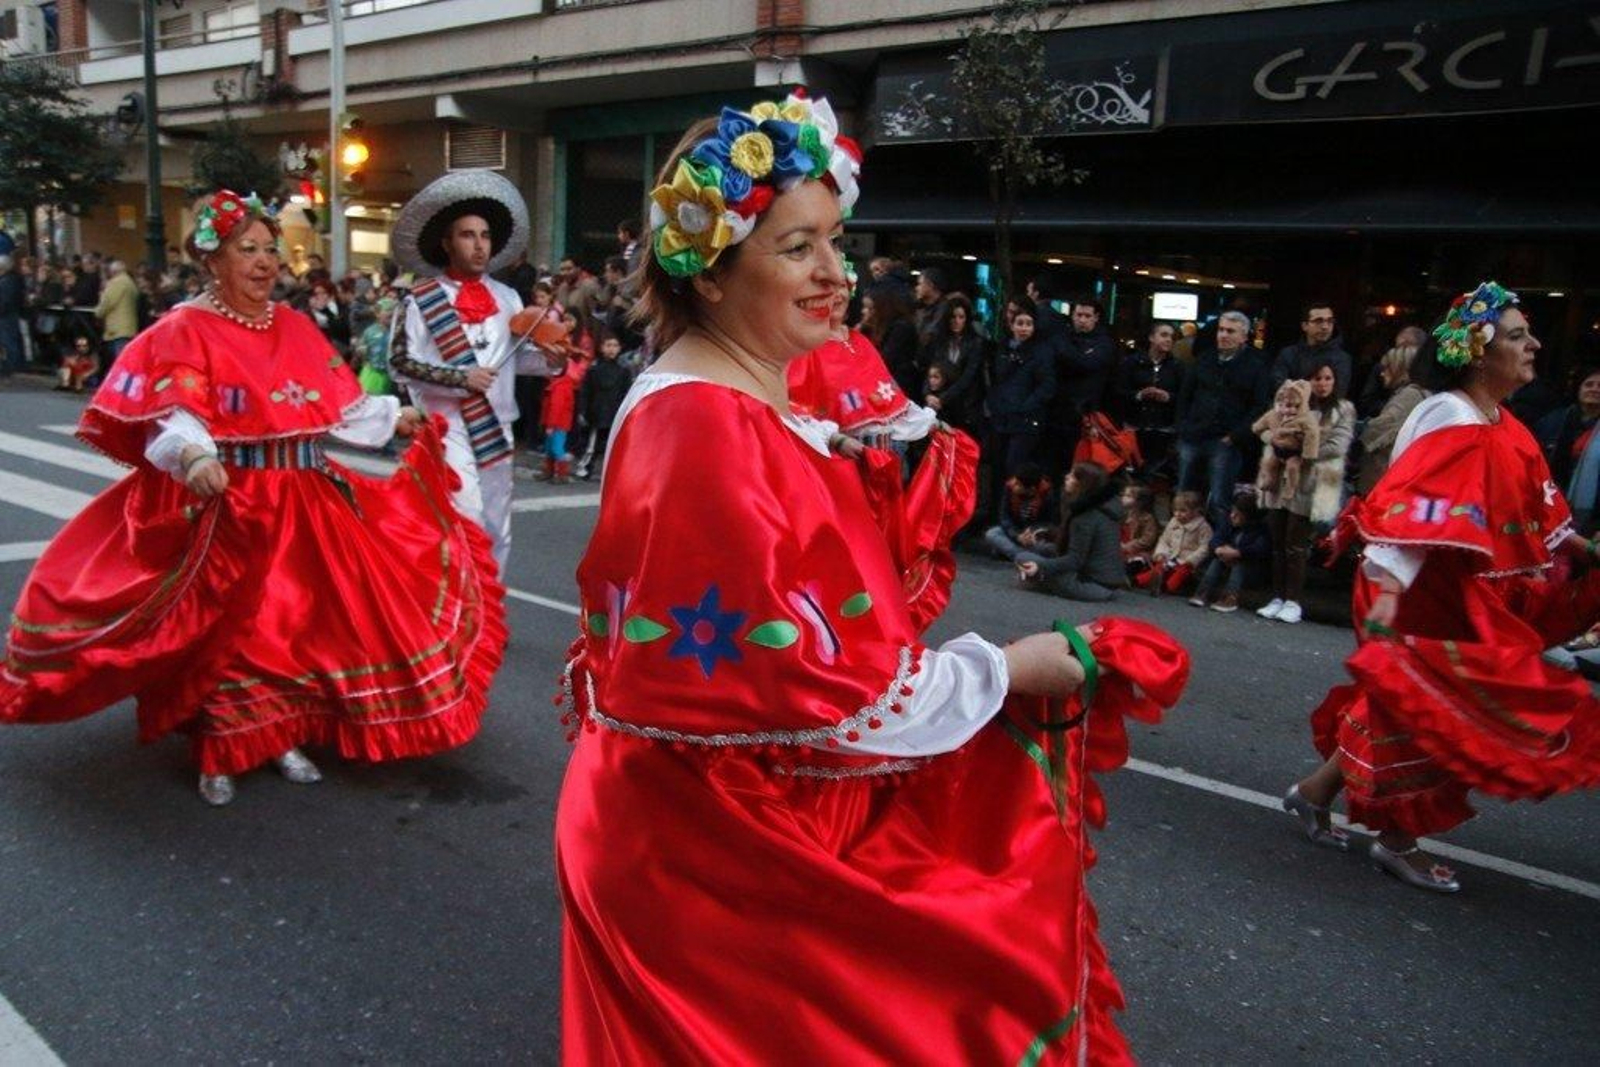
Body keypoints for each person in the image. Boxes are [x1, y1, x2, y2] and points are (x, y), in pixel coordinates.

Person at [556, 90, 1190, 1063]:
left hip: (732, 816)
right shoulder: (705, 430)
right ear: (711, 273)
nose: (834, 275)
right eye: (795, 247)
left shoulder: (752, 394)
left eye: (835, 241)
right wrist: (1015, 666)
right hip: (710, 845)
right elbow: (817, 691)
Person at [0, 190, 507, 806]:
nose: (266, 261)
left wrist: (393, 416)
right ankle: (222, 742)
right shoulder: (186, 329)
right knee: (226, 632)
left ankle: (276, 731)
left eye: (272, 249)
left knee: (294, 624)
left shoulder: (292, 324)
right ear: (211, 258)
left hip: (304, 499)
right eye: (249, 249)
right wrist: (194, 455)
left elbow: (336, 401)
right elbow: (174, 413)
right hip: (231, 505)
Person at [1286, 282, 1600, 892]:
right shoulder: (1452, 421)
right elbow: (1407, 524)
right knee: (1445, 721)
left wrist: (1588, 552)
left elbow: (1539, 514)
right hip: (1427, 600)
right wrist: (1381, 615)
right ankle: (1397, 839)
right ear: (1478, 353)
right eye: (1517, 335)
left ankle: (1313, 793)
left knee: (1404, 712)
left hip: (1478, 597)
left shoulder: (1506, 423)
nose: (1534, 344)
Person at [387, 169, 531, 574]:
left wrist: (553, 358)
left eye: (485, 235)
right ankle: (460, 616)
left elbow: (521, 356)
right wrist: (459, 378)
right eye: (468, 235)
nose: (479, 244)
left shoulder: (508, 297)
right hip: (449, 430)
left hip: (498, 427)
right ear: (447, 243)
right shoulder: (420, 301)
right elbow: (399, 364)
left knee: (497, 527)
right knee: (464, 519)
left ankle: (490, 617)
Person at [1256, 361, 1354, 624]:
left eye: (1327, 378)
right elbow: (1266, 428)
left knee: (1295, 545)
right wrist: (1279, 442)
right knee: (1277, 543)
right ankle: (1277, 596)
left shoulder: (1342, 409)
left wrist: (1302, 450)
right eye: (1316, 378)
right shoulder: (1291, 400)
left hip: (1311, 481)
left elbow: (1338, 444)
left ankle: (1293, 601)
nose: (1322, 384)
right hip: (1278, 477)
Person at [1174, 310, 1271, 528]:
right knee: (1184, 494)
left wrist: (1236, 436)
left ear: (1244, 336)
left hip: (1226, 439)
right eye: (1221, 330)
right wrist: (1183, 427)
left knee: (1220, 500)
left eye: (1230, 331)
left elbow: (1259, 406)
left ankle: (1216, 545)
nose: (1223, 335)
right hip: (1193, 435)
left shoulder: (1256, 365)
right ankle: (1179, 545)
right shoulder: (1203, 359)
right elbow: (1185, 395)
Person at [1015, 461, 1126, 602]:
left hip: (1091, 584)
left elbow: (1075, 560)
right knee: (1042, 548)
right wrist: (1043, 534)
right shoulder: (1102, 508)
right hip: (1102, 580)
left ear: (1083, 484)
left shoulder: (1086, 516)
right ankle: (1040, 578)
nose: (1066, 477)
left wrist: (1041, 566)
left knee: (1023, 557)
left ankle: (1040, 578)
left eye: (1073, 476)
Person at [986, 301, 1056, 481]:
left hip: (1026, 417)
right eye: (1020, 323)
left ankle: (1009, 507)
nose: (1024, 328)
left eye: (1028, 324)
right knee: (997, 466)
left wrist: (1027, 406)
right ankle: (995, 507)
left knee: (1014, 467)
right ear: (1012, 325)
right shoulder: (1002, 348)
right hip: (1002, 415)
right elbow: (996, 379)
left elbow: (1047, 385)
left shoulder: (1042, 351)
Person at [1115, 322, 1187, 480]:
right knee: (1133, 474)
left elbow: (1185, 397)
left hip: (1164, 428)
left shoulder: (1177, 367)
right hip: (1135, 425)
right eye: (1163, 335)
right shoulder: (1131, 363)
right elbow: (1119, 392)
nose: (1168, 340)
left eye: (1171, 336)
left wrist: (1168, 397)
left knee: (1156, 474)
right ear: (1151, 338)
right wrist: (1139, 395)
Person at [1356, 344, 1428, 494]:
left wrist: (1356, 428)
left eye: (1387, 368)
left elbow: (1382, 428)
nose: (1382, 374)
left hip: (1385, 481)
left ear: (1399, 368)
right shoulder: (1412, 394)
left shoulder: (1410, 396)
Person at [1188, 491, 1270, 612]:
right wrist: (1219, 549)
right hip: (1227, 562)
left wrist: (1237, 553)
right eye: (1232, 512)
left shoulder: (1259, 531)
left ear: (1248, 517)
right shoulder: (1229, 524)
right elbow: (1215, 539)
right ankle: (1203, 592)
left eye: (1237, 514)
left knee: (1240, 565)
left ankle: (1231, 598)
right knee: (1217, 560)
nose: (1232, 516)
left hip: (1251, 569)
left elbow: (1259, 549)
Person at [917, 294, 985, 431]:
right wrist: (927, 394)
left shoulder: (975, 343)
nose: (957, 321)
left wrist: (942, 398)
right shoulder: (939, 341)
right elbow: (931, 370)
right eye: (953, 317)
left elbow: (968, 377)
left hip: (964, 405)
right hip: (941, 405)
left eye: (961, 317)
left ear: (967, 319)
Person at [574, 331, 632, 480]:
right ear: (601, 348)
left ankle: (614, 472)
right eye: (608, 345)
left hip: (615, 410)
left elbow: (626, 393)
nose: (612, 349)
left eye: (615, 345)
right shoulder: (594, 370)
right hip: (597, 410)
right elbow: (586, 391)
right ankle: (585, 467)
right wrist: (583, 410)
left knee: (614, 444)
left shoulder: (624, 371)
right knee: (592, 444)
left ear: (620, 348)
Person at [1135, 490, 1212, 595]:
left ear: (1196, 511)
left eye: (1183, 511)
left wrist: (1191, 560)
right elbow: (1164, 540)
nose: (1177, 514)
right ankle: (1137, 581)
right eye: (1175, 510)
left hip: (1187, 561)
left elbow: (1205, 547)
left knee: (1181, 572)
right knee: (1159, 567)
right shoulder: (1173, 522)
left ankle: (1167, 587)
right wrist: (1161, 553)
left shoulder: (1203, 527)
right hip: (1171, 557)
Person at [1272, 301, 1352, 399]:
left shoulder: (1342, 358)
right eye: (1318, 321)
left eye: (1330, 321)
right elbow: (1280, 387)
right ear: (1304, 326)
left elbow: (1338, 393)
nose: (1325, 327)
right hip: (1293, 410)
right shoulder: (1289, 354)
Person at [982, 462, 1055, 562]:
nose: (1014, 485)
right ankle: (1023, 557)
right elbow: (1004, 517)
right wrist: (1017, 536)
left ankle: (1014, 554)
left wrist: (1033, 533)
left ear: (1031, 489)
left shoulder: (1047, 494)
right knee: (992, 534)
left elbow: (1049, 522)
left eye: (1018, 484)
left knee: (1049, 548)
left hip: (1033, 535)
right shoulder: (1009, 487)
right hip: (1015, 531)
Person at [93, 259, 139, 367]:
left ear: (113, 271)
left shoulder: (117, 282)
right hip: (128, 327)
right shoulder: (130, 282)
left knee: (121, 362)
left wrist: (97, 312)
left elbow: (107, 302)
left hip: (118, 329)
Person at [1119, 482, 1160, 576]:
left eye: (1129, 496)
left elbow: (1148, 539)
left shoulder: (1147, 518)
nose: (1124, 498)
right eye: (1124, 495)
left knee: (1133, 564)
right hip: (1121, 546)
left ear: (1140, 502)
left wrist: (1130, 546)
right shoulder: (1125, 514)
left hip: (1137, 551)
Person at [0, 255, 24, 378]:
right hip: (7, 315)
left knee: (8, 341)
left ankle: (12, 366)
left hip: (6, 316)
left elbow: (5, 300)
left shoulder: (8, 281)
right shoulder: (7, 280)